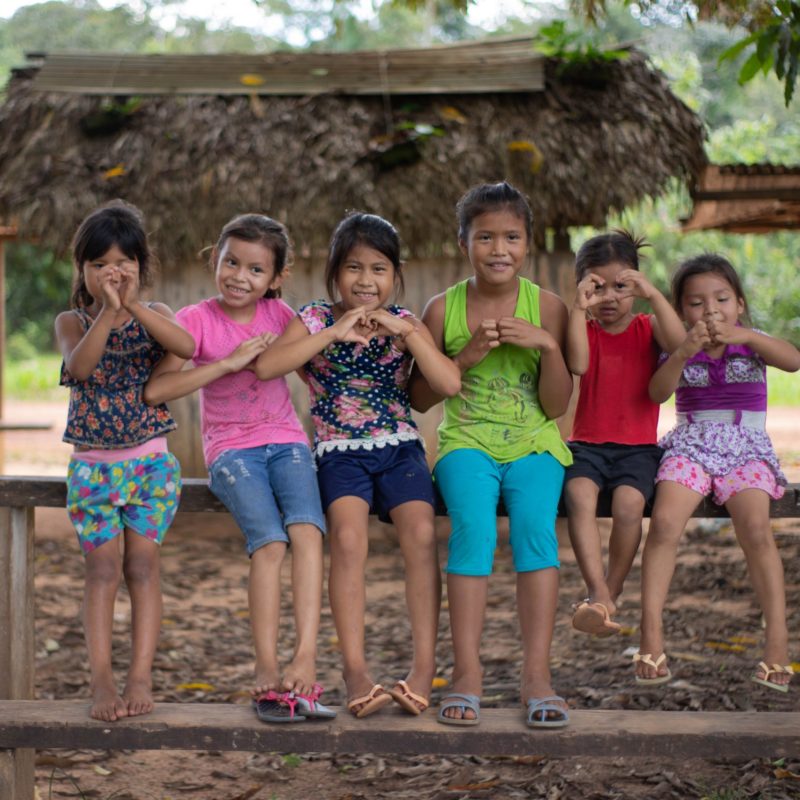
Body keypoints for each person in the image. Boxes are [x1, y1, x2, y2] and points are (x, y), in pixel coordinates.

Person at [253, 212, 461, 718]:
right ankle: (356, 670)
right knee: (347, 540)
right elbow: (267, 366)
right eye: (353, 269)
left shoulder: (406, 322)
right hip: (338, 451)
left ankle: (422, 670)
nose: (365, 281)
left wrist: (405, 334)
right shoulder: (316, 318)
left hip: (400, 446)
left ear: (395, 274)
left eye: (378, 270)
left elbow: (449, 383)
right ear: (334, 273)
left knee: (420, 533)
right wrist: (335, 331)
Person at [144, 214, 333, 722]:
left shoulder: (281, 316)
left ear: (275, 279)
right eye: (231, 262)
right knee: (270, 543)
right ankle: (266, 667)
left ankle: (306, 655)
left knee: (308, 534)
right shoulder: (196, 320)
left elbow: (316, 366)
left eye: (255, 269)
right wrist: (226, 363)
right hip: (230, 449)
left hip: (288, 441)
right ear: (215, 259)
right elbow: (158, 389)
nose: (239, 277)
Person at [410, 181, 574, 729]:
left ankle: (537, 676)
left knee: (535, 529)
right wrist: (466, 354)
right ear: (464, 243)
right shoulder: (442, 309)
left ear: (527, 243)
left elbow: (554, 406)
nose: (498, 249)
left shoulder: (547, 307)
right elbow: (421, 395)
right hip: (466, 444)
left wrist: (548, 346)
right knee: (473, 529)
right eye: (485, 237)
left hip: (534, 444)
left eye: (511, 237)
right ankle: (467, 672)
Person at [55, 201, 195, 722]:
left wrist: (132, 307)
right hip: (92, 469)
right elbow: (81, 368)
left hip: (150, 467)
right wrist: (109, 313)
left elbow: (188, 344)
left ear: (141, 265)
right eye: (98, 265)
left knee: (142, 567)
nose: (111, 273)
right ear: (83, 270)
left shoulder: (155, 315)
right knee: (101, 570)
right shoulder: (72, 320)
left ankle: (140, 673)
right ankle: (101, 679)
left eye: (122, 263)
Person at [635, 254, 800, 691]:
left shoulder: (754, 341)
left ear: (740, 304)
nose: (710, 310)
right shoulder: (676, 346)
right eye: (695, 303)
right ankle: (650, 633)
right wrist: (683, 350)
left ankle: (778, 642)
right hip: (690, 443)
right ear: (679, 311)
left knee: (757, 528)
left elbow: (793, 360)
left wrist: (745, 335)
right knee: (666, 523)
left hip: (746, 447)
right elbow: (656, 391)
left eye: (722, 299)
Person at [564, 231, 685, 637]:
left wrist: (654, 295)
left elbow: (680, 343)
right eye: (598, 288)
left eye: (622, 286)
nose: (611, 298)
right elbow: (577, 364)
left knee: (630, 505)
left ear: (637, 283)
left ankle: (607, 595)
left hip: (638, 448)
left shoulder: (648, 327)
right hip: (587, 445)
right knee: (579, 496)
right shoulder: (585, 330)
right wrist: (578, 311)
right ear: (582, 289)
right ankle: (597, 589)